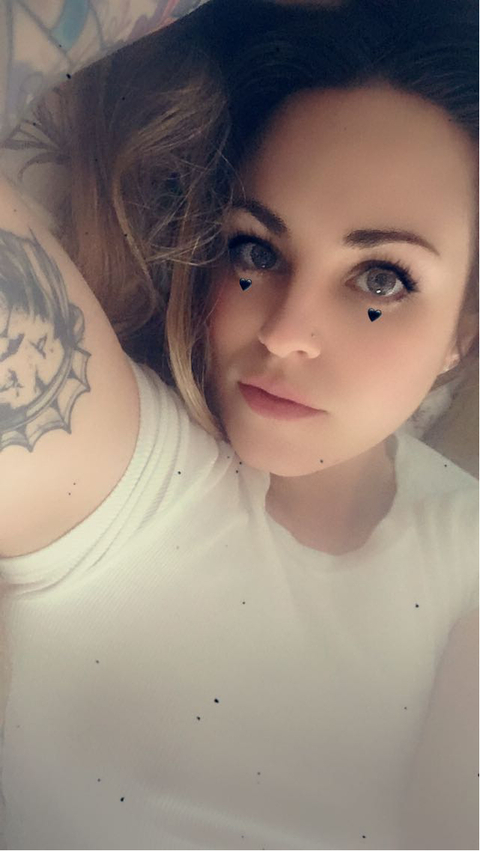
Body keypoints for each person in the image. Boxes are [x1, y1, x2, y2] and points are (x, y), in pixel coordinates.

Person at [0, 0, 477, 848]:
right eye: (256, 250)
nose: (287, 331)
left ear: (461, 336)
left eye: (382, 280)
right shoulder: (123, 477)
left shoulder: (465, 545)